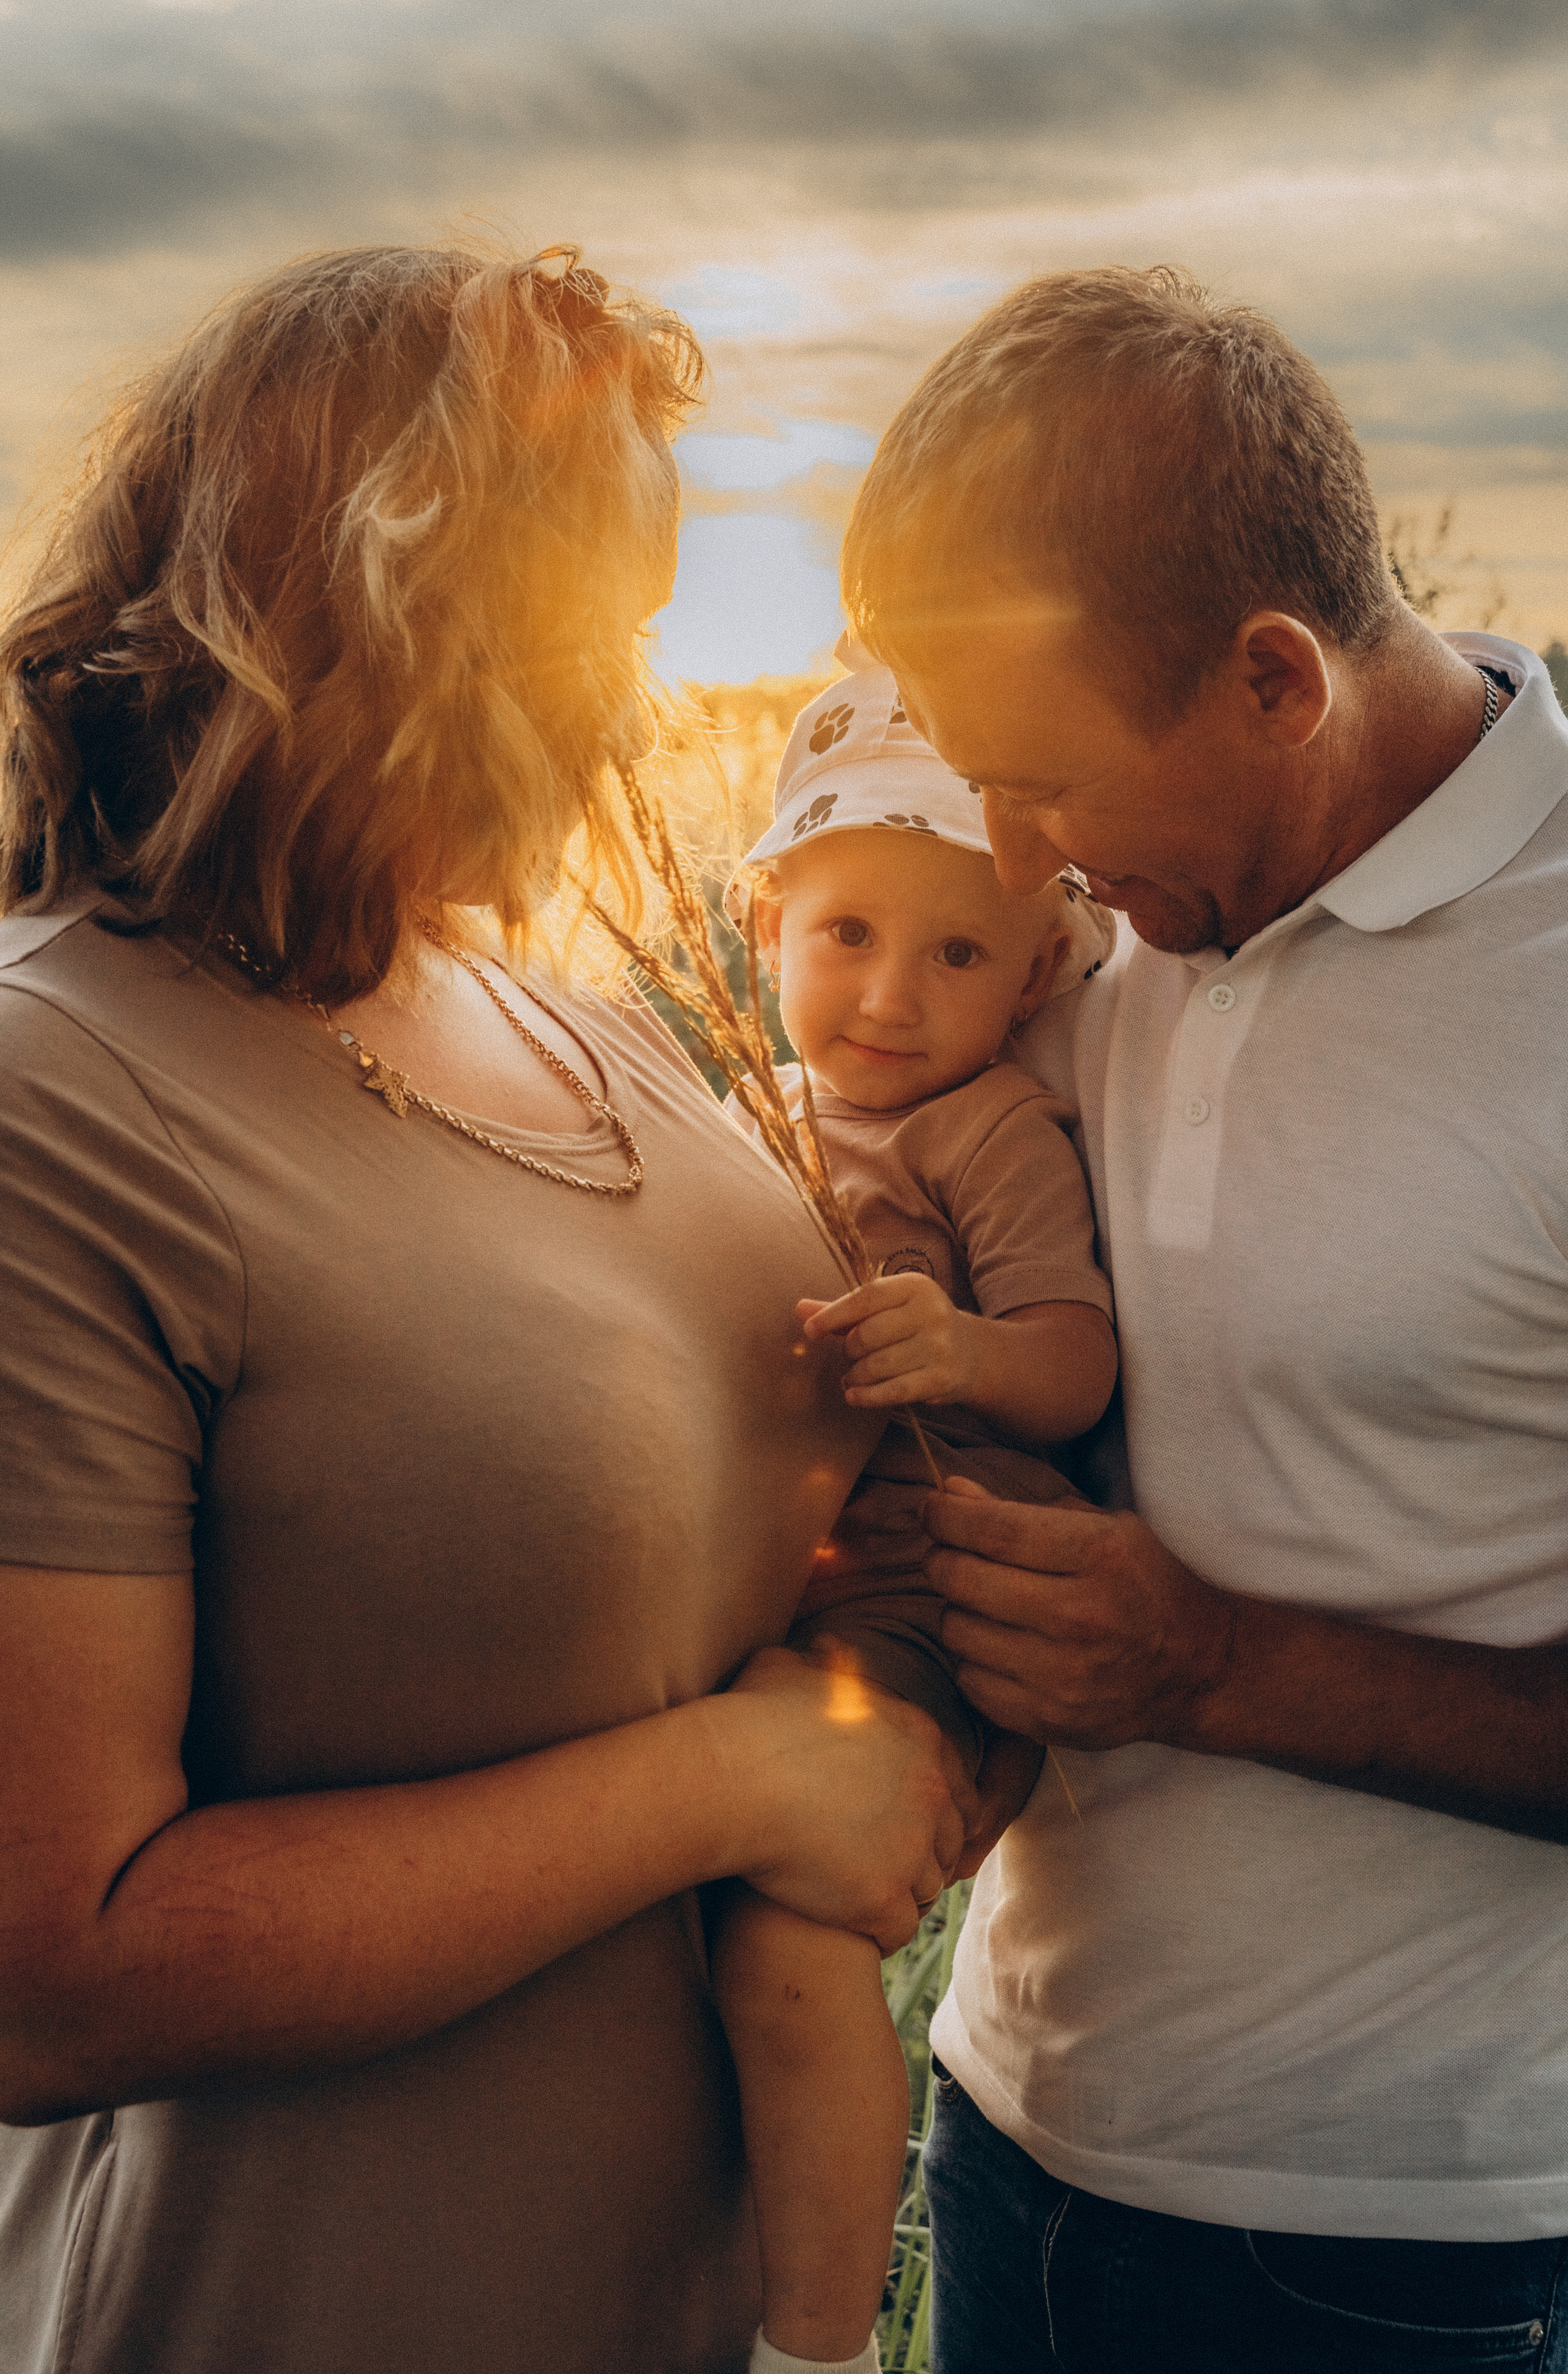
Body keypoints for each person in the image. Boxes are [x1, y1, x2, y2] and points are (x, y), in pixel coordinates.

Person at [0, 243, 977, 2374]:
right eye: (592, 627)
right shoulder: (56, 1096)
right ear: (385, 606)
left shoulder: (556, 1010)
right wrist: (734, 1784)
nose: (634, 705)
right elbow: (47, 1974)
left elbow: (805, 1526)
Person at [836, 264, 1568, 2372]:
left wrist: (1218, 1666)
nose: (1009, 861)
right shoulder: (1095, 945)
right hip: (1006, 2133)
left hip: (1396, 2258)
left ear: (1275, 677)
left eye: (1046, 784)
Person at [707, 660, 1118, 2374]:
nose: (888, 995)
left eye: (958, 953)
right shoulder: (751, 1110)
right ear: (770, 924)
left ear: (1036, 972)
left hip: (930, 1584)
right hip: (787, 1576)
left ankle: (814, 2339)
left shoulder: (984, 1128)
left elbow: (1075, 1365)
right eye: (849, 933)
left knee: (786, 1941)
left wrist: (961, 1349)